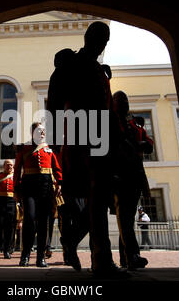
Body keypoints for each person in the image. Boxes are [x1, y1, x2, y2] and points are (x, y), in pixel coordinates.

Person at [47, 21, 123, 276]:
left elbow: (108, 112)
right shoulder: (71, 64)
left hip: (100, 139)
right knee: (93, 197)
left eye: (105, 39)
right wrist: (56, 144)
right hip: (80, 135)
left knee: (98, 199)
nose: (101, 43)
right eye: (97, 37)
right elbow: (55, 102)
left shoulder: (100, 71)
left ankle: (76, 242)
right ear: (87, 37)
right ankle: (100, 259)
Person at [112, 90, 153, 269]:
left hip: (135, 174)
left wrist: (144, 144)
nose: (124, 102)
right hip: (118, 175)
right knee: (125, 218)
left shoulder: (135, 124)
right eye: (119, 100)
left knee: (127, 219)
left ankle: (126, 258)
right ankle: (133, 255)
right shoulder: (109, 123)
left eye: (125, 99)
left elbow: (148, 142)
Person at [13, 122, 62, 267]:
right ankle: (25, 256)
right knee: (29, 219)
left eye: (43, 131)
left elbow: (57, 168)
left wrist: (59, 183)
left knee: (43, 222)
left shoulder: (49, 149)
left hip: (46, 187)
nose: (42, 133)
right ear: (32, 132)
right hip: (29, 185)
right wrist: (16, 189)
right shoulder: (24, 149)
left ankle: (40, 257)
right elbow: (17, 170)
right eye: (39, 130)